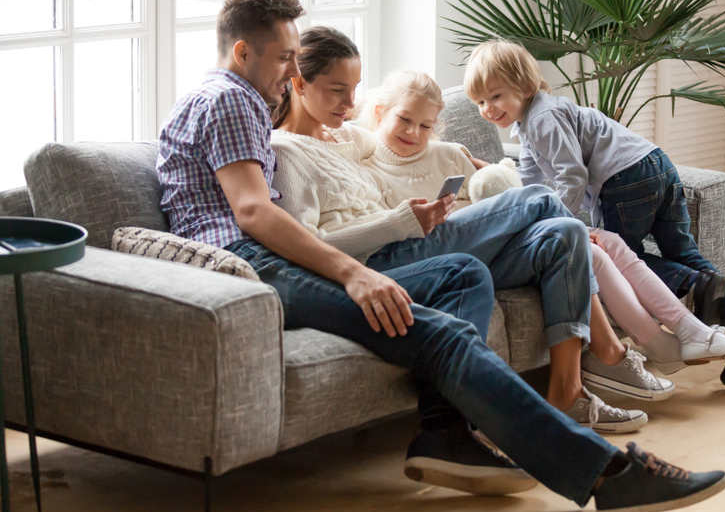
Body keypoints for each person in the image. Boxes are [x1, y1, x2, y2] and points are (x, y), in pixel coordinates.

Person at [155, 0, 725, 512]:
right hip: (250, 270)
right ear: (241, 51)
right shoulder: (231, 100)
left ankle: (444, 433)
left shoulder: (238, 102)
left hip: (264, 262)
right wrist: (356, 274)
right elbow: (254, 214)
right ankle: (606, 472)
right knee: (445, 329)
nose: (290, 70)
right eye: (284, 58)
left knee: (463, 273)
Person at [272, 46, 665, 434]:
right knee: (542, 197)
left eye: (355, 89)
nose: (349, 102)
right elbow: (304, 245)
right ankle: (610, 349)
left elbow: (405, 146)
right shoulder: (284, 151)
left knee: (563, 235)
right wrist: (400, 222)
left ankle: (567, 391)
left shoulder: (349, 138)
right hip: (383, 259)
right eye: (337, 90)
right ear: (298, 84)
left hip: (414, 239)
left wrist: (469, 164)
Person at [357, 69, 725, 378]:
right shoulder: (368, 165)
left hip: (506, 237)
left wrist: (487, 168)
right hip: (453, 251)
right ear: (379, 113)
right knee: (581, 234)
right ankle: (675, 336)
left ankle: (678, 337)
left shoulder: (447, 152)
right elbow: (399, 233)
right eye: (405, 121)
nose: (415, 133)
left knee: (606, 245)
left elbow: (501, 190)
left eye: (425, 126)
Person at [463, 40, 725, 386]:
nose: (488, 108)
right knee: (683, 252)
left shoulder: (542, 119)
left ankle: (695, 285)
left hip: (624, 179)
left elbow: (572, 175)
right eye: (479, 102)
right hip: (655, 164)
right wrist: (486, 174)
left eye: (495, 96)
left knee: (623, 257)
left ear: (523, 86)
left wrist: (561, 220)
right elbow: (528, 182)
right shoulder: (531, 121)